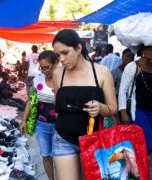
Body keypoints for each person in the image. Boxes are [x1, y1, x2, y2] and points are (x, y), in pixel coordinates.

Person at [51, 29, 117, 179]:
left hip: (93, 140)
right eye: (58, 55)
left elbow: (113, 108)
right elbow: (58, 108)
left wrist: (101, 108)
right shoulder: (58, 73)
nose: (61, 59)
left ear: (79, 48)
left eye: (65, 53)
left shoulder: (102, 72)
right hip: (63, 138)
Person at [20, 50, 59, 180]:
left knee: (60, 158)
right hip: (41, 126)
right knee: (46, 156)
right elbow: (31, 101)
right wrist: (24, 120)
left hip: (60, 126)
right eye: (41, 68)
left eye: (47, 67)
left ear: (56, 63)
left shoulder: (63, 79)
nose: (44, 71)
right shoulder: (38, 79)